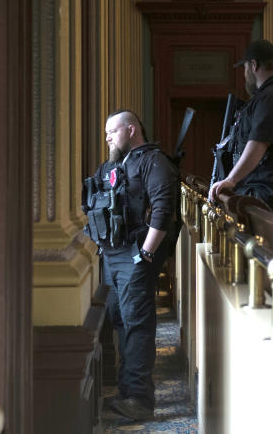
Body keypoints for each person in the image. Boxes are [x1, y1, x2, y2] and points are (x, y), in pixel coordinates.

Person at [94, 109, 180, 422]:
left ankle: (140, 401)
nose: (107, 138)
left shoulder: (153, 161)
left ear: (131, 130)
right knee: (121, 322)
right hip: (114, 256)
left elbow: (162, 209)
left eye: (112, 132)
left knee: (137, 326)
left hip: (135, 255)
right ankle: (125, 393)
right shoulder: (115, 165)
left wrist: (145, 254)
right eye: (106, 133)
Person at [208, 39, 273, 220]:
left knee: (262, 248)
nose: (245, 75)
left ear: (253, 65)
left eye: (245, 68)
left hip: (268, 196)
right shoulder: (272, 96)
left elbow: (259, 143)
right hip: (265, 194)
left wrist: (231, 179)